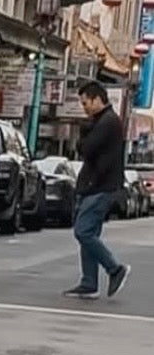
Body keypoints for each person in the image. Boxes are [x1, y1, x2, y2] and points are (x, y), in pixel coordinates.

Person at [64, 80, 130, 301]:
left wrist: (85, 133)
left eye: (85, 103)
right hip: (95, 185)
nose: (84, 108)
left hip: (101, 186)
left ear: (97, 99)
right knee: (88, 234)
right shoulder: (103, 121)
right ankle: (89, 282)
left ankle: (114, 268)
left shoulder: (108, 122)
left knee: (83, 231)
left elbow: (87, 148)